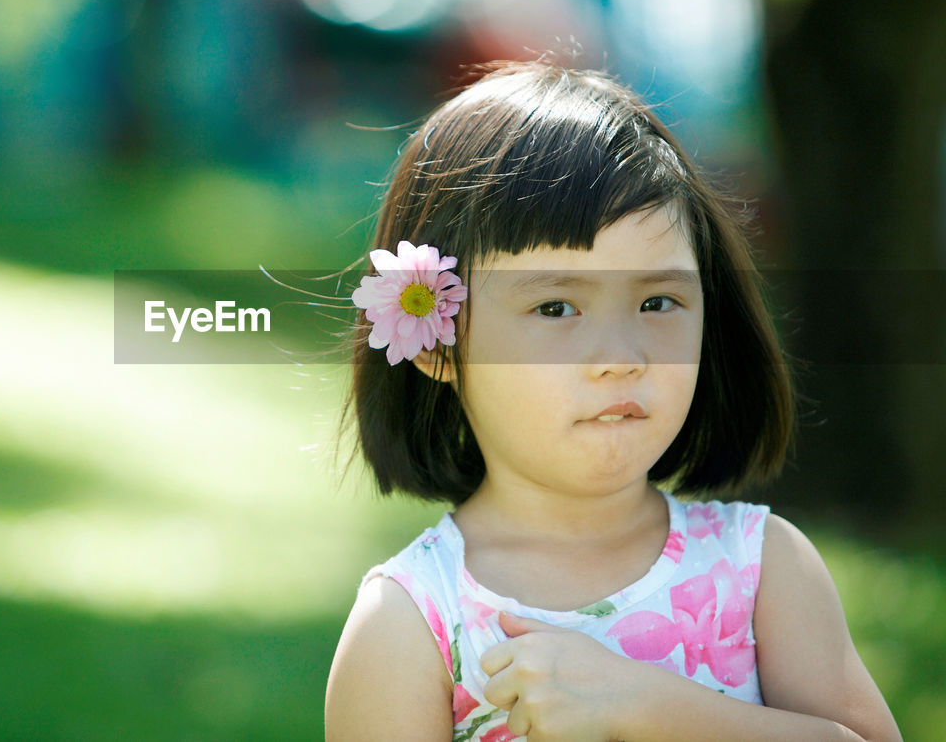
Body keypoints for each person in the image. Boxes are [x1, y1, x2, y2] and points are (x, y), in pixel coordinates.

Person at [323, 60, 902, 741]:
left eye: (658, 301)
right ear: (435, 342)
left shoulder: (763, 569)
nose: (623, 356)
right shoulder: (414, 621)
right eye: (556, 305)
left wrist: (643, 705)